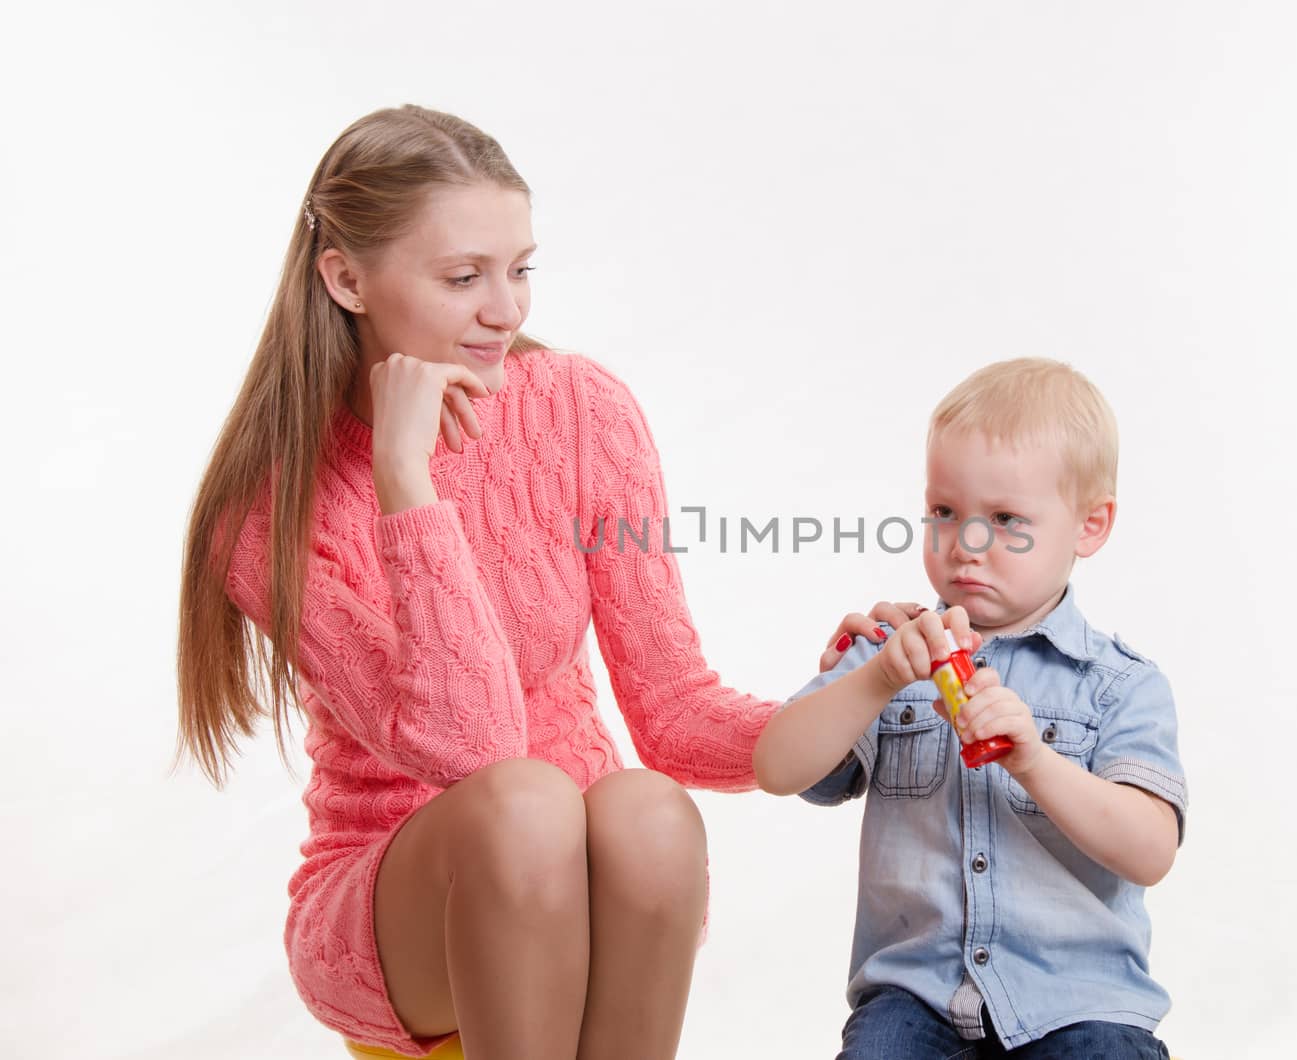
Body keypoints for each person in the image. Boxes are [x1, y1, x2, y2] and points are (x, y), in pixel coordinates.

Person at [174, 103, 910, 1060]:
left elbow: (675, 707)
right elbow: (472, 749)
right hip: (400, 901)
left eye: (520, 270)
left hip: (589, 882)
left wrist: (858, 691)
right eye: (463, 277)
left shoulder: (579, 406)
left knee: (648, 810)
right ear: (346, 278)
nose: (507, 310)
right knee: (523, 805)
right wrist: (406, 483)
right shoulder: (266, 509)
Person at [754, 358, 1187, 1059]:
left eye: (1007, 520)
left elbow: (1149, 850)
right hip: (914, 997)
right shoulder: (894, 651)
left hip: (1080, 1002)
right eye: (945, 513)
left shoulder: (1118, 684)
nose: (966, 545)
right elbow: (776, 765)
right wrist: (874, 679)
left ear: (1090, 525)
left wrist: (1036, 761)